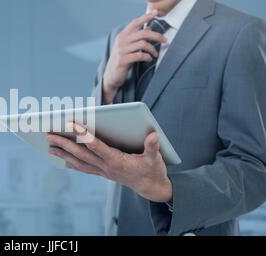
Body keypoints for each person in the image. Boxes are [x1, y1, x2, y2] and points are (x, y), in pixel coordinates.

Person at [45, 0, 266, 235]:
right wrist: (108, 86)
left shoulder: (241, 33)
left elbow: (254, 168)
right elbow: (104, 135)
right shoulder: (119, 37)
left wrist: (168, 189)